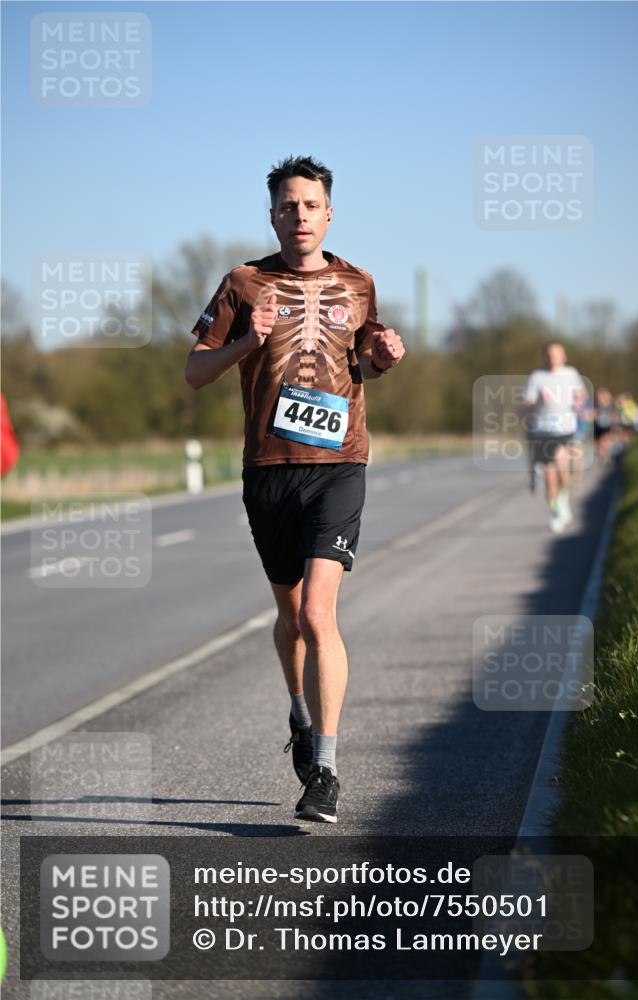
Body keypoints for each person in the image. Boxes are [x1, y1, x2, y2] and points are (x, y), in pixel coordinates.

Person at [185, 155, 405, 823]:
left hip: (339, 465)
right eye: (287, 206)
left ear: (328, 212)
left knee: (317, 613)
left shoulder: (357, 282)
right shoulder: (244, 283)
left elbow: (363, 361)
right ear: (272, 214)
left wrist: (383, 359)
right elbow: (195, 372)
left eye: (310, 205)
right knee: (289, 619)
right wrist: (242, 345)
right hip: (268, 470)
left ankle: (327, 773)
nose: (299, 215)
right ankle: (301, 713)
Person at [522, 342, 586, 534]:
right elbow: (526, 403)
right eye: (549, 355)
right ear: (544, 357)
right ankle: (555, 512)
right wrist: (531, 404)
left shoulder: (571, 374)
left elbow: (581, 394)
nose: (553, 358)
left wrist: (579, 401)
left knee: (562, 471)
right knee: (550, 475)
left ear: (564, 357)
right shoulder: (536, 377)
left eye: (557, 354)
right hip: (542, 430)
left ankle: (563, 500)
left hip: (565, 428)